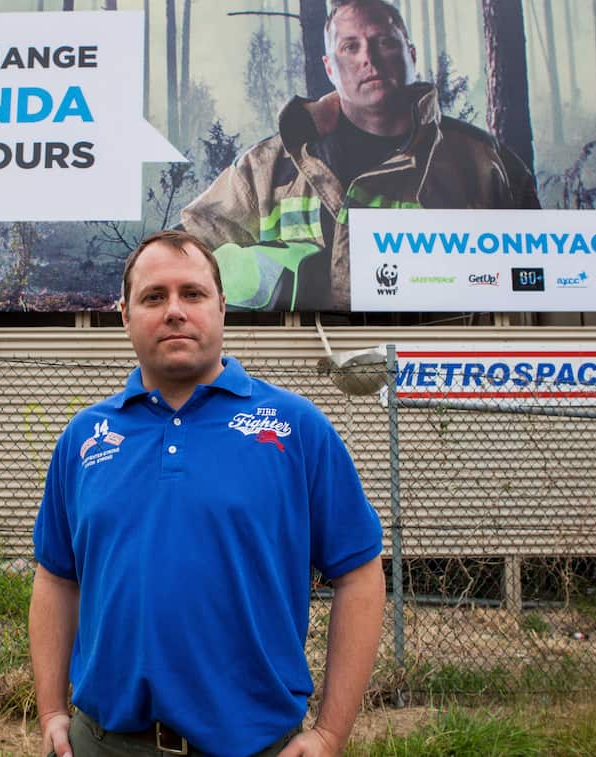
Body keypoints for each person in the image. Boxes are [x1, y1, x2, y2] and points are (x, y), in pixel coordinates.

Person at [30, 230, 385, 757]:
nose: (174, 310)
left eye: (192, 294)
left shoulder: (296, 428)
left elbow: (360, 574)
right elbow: (56, 578)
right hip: (103, 743)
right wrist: (52, 711)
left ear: (222, 307)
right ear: (124, 315)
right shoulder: (85, 439)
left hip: (255, 746)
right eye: (154, 297)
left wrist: (331, 733)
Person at [181, 0, 540, 312]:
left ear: (410, 54)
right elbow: (184, 253)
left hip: (438, 369)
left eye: (384, 42)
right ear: (328, 68)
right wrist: (280, 280)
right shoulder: (268, 166)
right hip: (295, 368)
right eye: (350, 47)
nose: (369, 58)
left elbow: (537, 277)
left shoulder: (481, 161)